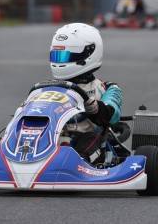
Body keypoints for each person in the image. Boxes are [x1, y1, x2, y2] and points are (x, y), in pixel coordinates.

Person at [49, 23, 123, 165]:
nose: (60, 62)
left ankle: (76, 164)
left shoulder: (106, 88)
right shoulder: (49, 87)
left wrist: (96, 108)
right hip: (52, 138)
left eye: (65, 56)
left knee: (90, 137)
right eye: (57, 56)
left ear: (88, 54)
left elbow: (112, 116)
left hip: (86, 140)